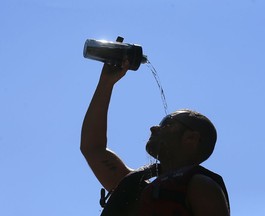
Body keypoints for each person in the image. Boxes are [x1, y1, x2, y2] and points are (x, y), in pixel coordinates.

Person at [80, 60, 230, 216]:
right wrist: (106, 82)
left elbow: (93, 149)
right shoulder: (135, 189)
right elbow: (93, 148)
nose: (153, 128)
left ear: (191, 138)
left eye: (167, 124)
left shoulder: (202, 187)